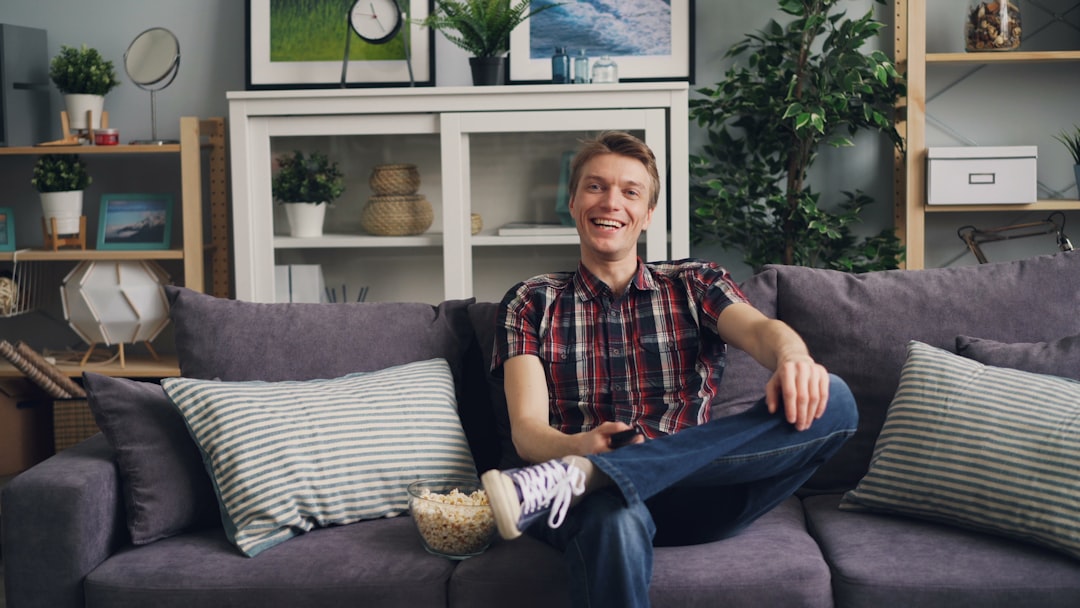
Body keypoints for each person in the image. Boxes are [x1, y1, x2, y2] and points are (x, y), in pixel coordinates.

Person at [480, 131, 859, 608]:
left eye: (630, 191)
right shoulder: (531, 300)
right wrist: (580, 448)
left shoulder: (694, 282)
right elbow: (527, 431)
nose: (611, 202)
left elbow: (761, 330)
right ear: (573, 202)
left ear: (647, 214)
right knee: (614, 516)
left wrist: (793, 358)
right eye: (595, 187)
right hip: (587, 501)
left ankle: (601, 472)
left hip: (697, 491)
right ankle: (594, 476)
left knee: (836, 400)